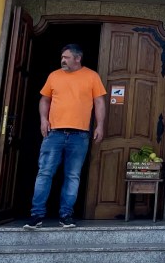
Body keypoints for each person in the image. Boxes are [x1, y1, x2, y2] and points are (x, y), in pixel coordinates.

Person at [24, 44, 107, 229]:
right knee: (45, 173)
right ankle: (36, 215)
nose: (63, 60)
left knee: (72, 176)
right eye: (62, 57)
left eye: (67, 57)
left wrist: (100, 125)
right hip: (54, 133)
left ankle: (66, 215)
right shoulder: (54, 76)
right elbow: (44, 99)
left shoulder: (92, 76)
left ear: (78, 58)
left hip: (80, 134)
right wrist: (43, 120)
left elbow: (99, 102)